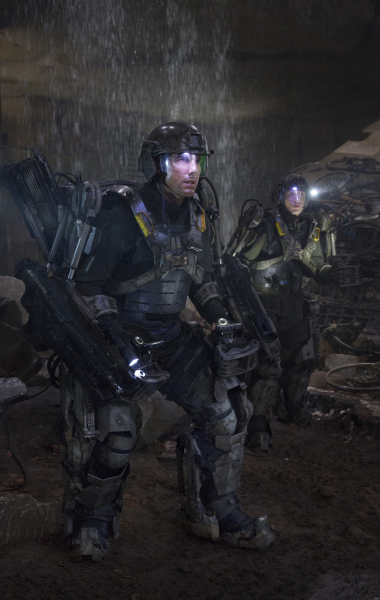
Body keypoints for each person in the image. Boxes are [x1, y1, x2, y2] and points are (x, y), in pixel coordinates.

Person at [54, 122, 274, 560]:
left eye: (197, 159)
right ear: (156, 164)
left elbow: (201, 279)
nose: (192, 169)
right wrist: (114, 336)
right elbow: (87, 287)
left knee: (226, 414)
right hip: (117, 340)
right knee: (117, 430)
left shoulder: (198, 215)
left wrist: (221, 321)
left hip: (171, 337)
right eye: (180, 159)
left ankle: (216, 509)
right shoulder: (120, 214)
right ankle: (94, 518)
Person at [238, 174, 333, 444]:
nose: (297, 200)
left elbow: (317, 265)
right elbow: (241, 261)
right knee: (267, 365)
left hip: (294, 303)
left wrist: (328, 273)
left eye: (301, 195)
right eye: (291, 194)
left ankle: (294, 408)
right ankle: (257, 420)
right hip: (265, 305)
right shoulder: (266, 226)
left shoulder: (311, 228)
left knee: (301, 361)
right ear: (280, 197)